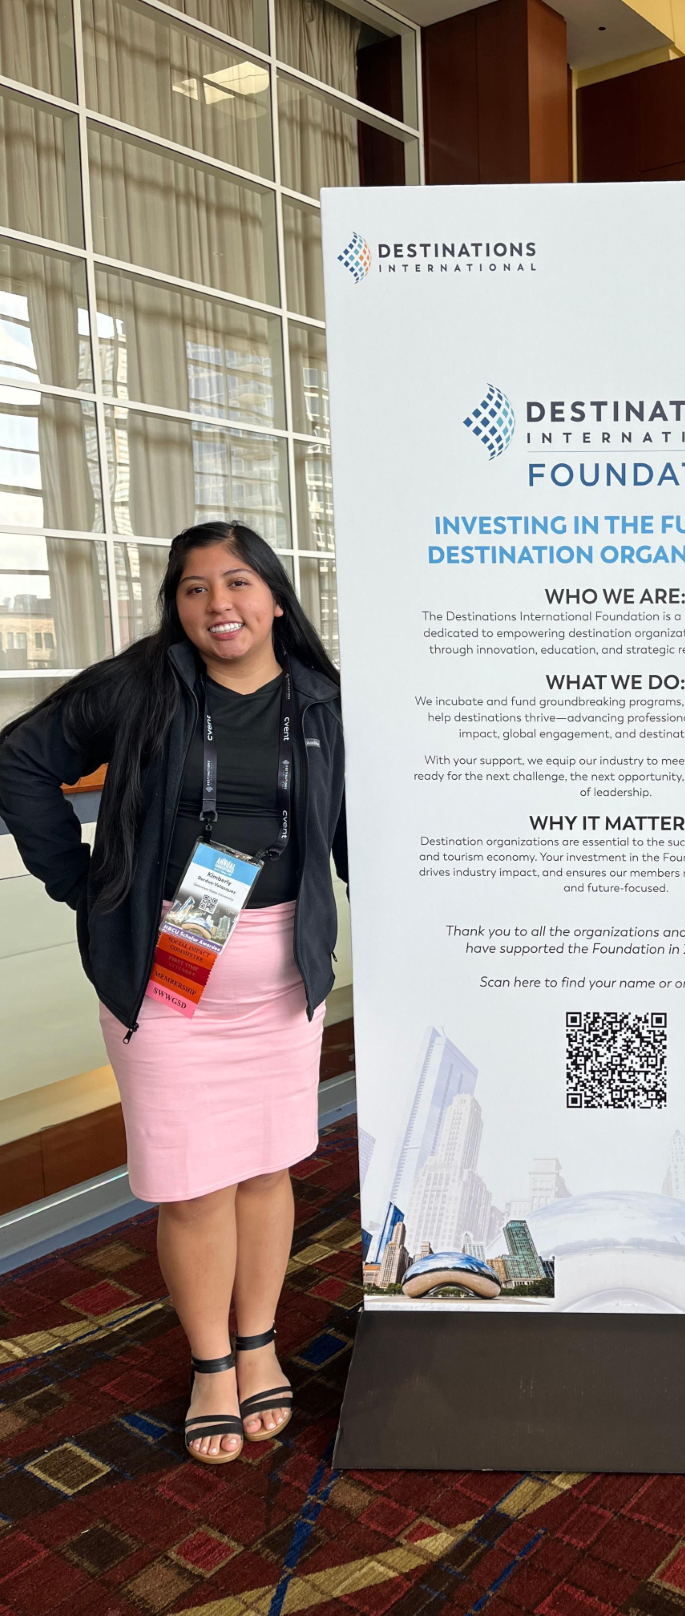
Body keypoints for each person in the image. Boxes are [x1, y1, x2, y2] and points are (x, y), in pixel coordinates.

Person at [0, 521, 346, 1465]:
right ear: (176, 605)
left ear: (276, 597)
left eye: (237, 583)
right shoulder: (143, 685)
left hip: (280, 970)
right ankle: (209, 1365)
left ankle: (258, 1341)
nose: (217, 605)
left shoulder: (321, 701)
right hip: (174, 958)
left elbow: (352, 834)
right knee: (194, 1182)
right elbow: (20, 759)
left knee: (269, 1166)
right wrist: (79, 878)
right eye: (194, 589)